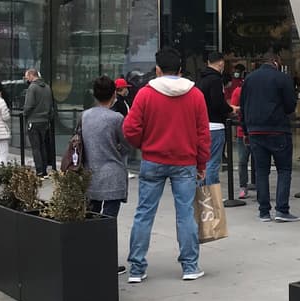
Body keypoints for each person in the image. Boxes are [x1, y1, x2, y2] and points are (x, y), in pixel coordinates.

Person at [122, 47, 210, 282]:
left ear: (158, 69)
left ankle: (137, 269)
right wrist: (201, 163)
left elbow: (130, 128)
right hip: (185, 161)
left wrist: (144, 144)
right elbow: (203, 134)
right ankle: (190, 266)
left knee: (144, 213)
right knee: (185, 214)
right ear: (180, 69)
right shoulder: (195, 95)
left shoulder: (145, 94)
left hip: (153, 159)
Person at [241, 51, 299, 222]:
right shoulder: (282, 78)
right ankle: (282, 210)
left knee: (261, 171)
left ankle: (264, 211)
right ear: (276, 61)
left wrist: (245, 131)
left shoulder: (249, 79)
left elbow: (243, 107)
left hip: (255, 131)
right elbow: (290, 106)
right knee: (284, 170)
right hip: (278, 129)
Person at [83, 75, 131, 275]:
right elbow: (127, 144)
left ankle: (91, 258)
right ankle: (106, 261)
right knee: (109, 221)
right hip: (113, 175)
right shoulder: (116, 118)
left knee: (91, 219)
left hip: (90, 175)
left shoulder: (85, 116)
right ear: (113, 95)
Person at [196, 49, 233, 186]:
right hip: (216, 126)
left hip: (202, 125)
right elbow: (218, 103)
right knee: (213, 163)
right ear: (221, 63)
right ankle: (212, 193)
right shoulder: (216, 80)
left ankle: (202, 193)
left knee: (203, 163)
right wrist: (230, 109)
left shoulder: (201, 80)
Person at [23, 68, 55, 177]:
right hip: (45, 121)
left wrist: (25, 113)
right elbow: (51, 105)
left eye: (27, 77)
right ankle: (44, 170)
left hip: (33, 120)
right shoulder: (47, 87)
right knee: (43, 146)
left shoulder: (32, 87)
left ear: (31, 75)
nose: (26, 79)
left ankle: (39, 171)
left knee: (36, 147)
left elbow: (29, 105)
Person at [229, 78, 253, 200]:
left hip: (256, 129)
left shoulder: (258, 91)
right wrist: (241, 109)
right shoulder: (238, 91)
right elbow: (232, 109)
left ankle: (260, 185)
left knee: (260, 160)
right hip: (242, 130)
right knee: (243, 160)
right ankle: (243, 186)